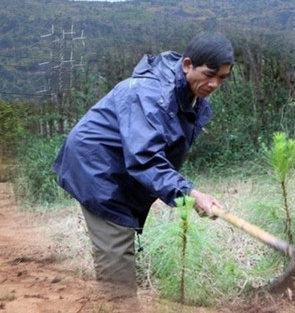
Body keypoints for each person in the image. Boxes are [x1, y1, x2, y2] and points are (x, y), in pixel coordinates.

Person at [52, 32, 234, 298]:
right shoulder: (150, 94)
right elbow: (145, 159)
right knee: (117, 253)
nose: (214, 84)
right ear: (187, 65)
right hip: (96, 166)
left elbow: (158, 153)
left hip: (123, 166)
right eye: (209, 74)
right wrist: (189, 194)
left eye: (222, 78)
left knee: (125, 229)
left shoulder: (192, 99)